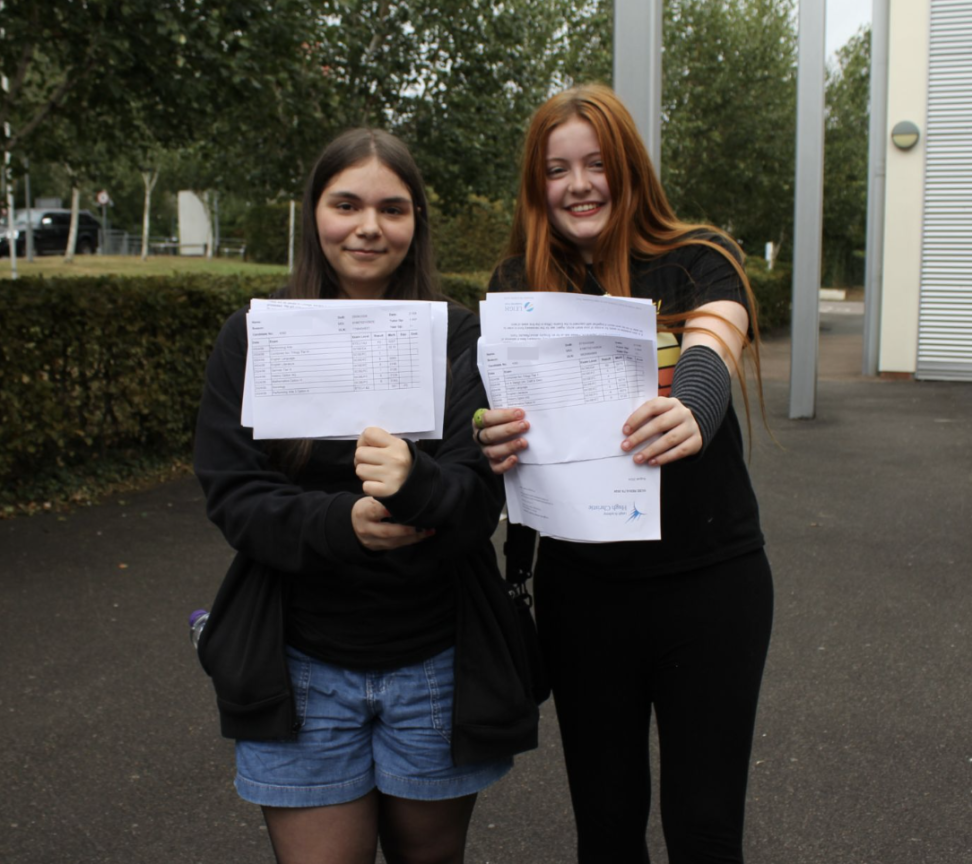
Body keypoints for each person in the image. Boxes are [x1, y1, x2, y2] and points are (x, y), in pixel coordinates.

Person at [193, 128, 538, 864]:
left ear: (417, 225)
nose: (369, 227)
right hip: (299, 664)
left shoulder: (458, 339)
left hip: (434, 666)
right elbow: (235, 497)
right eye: (345, 204)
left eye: (393, 208)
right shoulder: (252, 339)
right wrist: (341, 522)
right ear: (314, 213)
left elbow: (479, 503)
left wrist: (417, 484)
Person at [473, 84, 774, 863]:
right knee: (606, 831)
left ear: (629, 168)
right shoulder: (515, 288)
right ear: (538, 186)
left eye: (597, 164)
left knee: (705, 830)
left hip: (711, 585)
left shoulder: (698, 257)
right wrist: (489, 435)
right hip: (583, 594)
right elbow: (490, 417)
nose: (579, 184)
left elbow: (714, 345)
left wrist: (693, 412)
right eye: (558, 168)